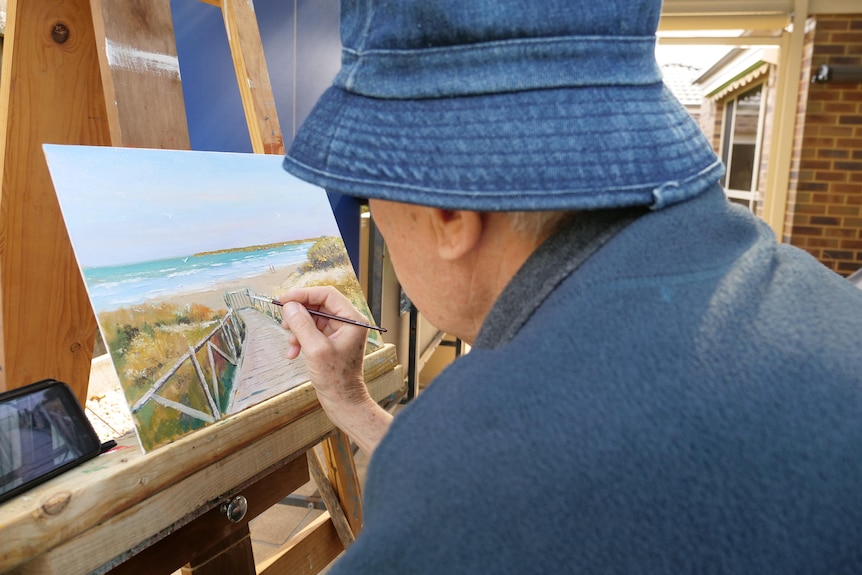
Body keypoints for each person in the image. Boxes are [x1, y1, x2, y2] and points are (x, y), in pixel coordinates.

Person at [277, 0, 862, 572]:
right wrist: (350, 400)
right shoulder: (812, 308)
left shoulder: (484, 463)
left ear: (447, 210)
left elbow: (491, 490)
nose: (374, 215)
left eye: (367, 192)